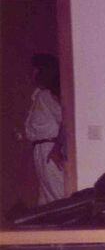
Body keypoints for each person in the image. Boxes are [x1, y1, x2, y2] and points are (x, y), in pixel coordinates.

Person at [26, 54, 65, 204]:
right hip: (41, 149)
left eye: (35, 70)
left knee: (56, 193)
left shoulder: (46, 96)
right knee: (46, 195)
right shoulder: (38, 96)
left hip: (49, 149)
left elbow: (65, 121)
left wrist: (56, 148)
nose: (32, 74)